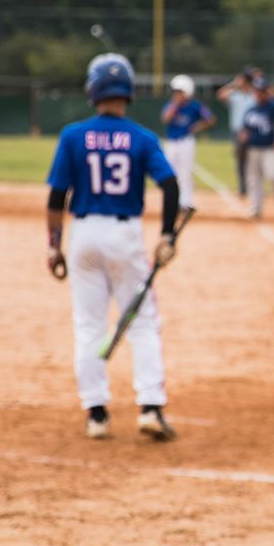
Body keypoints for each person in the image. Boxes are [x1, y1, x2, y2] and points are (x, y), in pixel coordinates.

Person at [44, 53, 181, 441]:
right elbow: (170, 185)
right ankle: (151, 407)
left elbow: (57, 198)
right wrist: (167, 235)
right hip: (126, 236)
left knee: (88, 326)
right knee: (142, 323)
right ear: (129, 91)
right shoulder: (142, 137)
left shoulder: (72, 135)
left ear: (92, 89)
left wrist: (54, 247)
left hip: (84, 235)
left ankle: (96, 414)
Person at [238, 77, 274, 220]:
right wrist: (242, 139)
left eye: (261, 91)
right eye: (256, 90)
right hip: (253, 149)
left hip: (270, 149)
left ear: (266, 92)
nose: (258, 93)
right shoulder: (251, 109)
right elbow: (245, 129)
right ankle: (256, 209)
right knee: (254, 180)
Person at [160, 74, 214, 211]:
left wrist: (198, 127)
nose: (176, 95)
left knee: (185, 172)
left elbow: (210, 119)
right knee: (169, 172)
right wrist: (175, 105)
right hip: (172, 142)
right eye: (175, 92)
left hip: (186, 141)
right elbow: (165, 119)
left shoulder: (195, 106)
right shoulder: (172, 105)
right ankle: (170, 201)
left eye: (179, 92)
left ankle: (185, 202)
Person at [215, 68, 256, 196]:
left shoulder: (254, 96)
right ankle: (243, 188)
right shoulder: (235, 95)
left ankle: (254, 187)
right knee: (240, 161)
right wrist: (233, 83)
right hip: (237, 132)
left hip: (252, 131)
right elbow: (220, 94)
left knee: (253, 161)